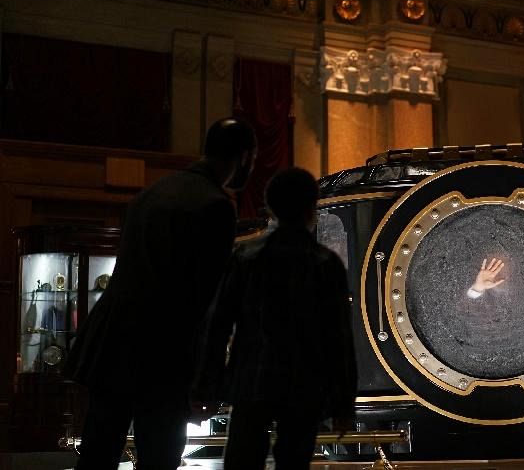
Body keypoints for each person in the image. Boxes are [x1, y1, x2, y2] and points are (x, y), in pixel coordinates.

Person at [64, 118, 257, 470]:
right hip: (164, 352)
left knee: (97, 453)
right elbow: (208, 302)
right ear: (244, 157)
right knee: (159, 457)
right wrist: (208, 382)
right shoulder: (215, 205)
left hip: (111, 344)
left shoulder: (151, 193)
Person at [193, 167, 357, 470]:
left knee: (242, 461)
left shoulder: (246, 257)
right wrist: (343, 403)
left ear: (270, 208)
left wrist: (206, 388)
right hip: (305, 384)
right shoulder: (325, 264)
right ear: (312, 207)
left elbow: (217, 327)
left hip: (251, 380)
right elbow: (338, 339)